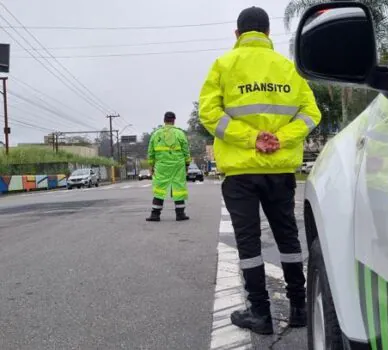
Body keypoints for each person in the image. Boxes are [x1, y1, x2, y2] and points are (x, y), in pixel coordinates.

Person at [199, 6, 321, 335]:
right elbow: (312, 115)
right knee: (288, 238)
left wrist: (252, 139)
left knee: (249, 243)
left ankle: (261, 314)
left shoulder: (224, 65)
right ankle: (299, 308)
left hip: (240, 174)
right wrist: (278, 139)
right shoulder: (288, 68)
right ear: (267, 34)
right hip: (280, 171)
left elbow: (209, 114)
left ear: (237, 35)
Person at [146, 111, 191, 222]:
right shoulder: (180, 133)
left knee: (159, 188)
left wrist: (151, 166)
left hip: (162, 166)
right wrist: (187, 164)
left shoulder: (156, 134)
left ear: (164, 120)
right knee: (178, 188)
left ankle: (155, 215)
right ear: (174, 120)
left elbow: (151, 151)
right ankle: (180, 214)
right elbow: (186, 150)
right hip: (178, 165)